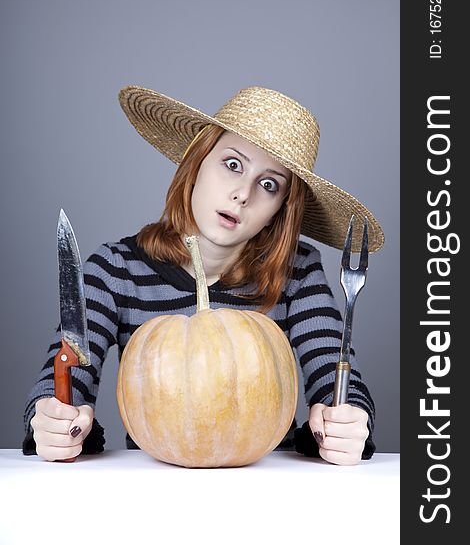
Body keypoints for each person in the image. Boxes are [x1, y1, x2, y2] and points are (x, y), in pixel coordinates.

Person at [23, 85, 384, 465]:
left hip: (268, 489)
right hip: (154, 490)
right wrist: (54, 421)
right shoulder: (115, 269)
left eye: (269, 184)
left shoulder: (297, 273)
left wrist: (345, 422)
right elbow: (59, 385)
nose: (243, 194)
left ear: (281, 208)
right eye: (232, 164)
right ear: (196, 163)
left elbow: (336, 378)